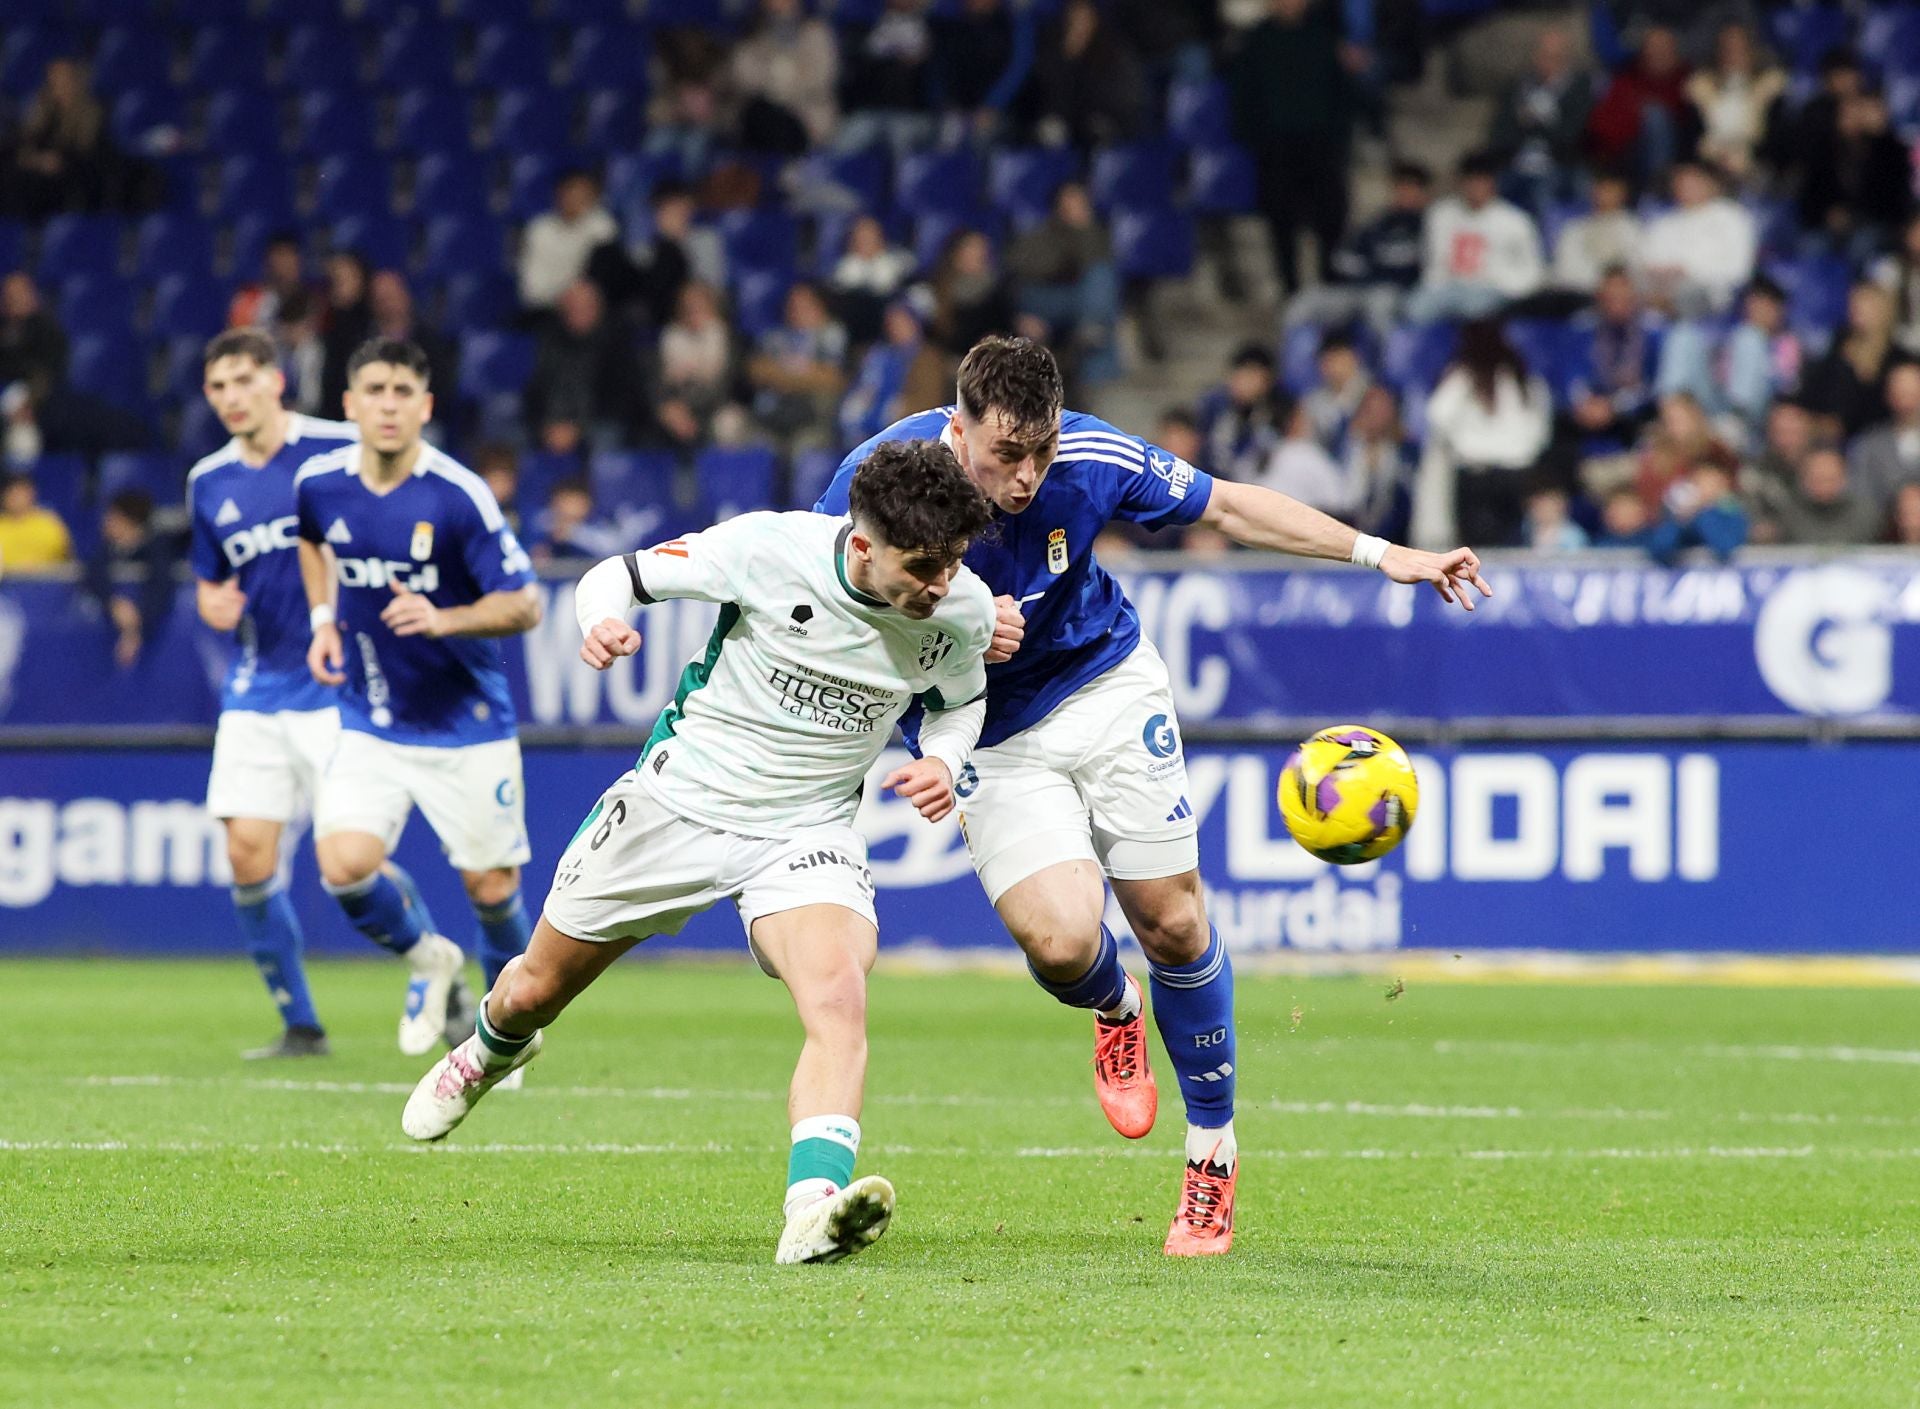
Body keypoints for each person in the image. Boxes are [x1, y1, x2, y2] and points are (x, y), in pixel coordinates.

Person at [816, 336, 1488, 1255]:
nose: (1025, 476)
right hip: (987, 734)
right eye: (1005, 454)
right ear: (955, 425)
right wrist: (951, 626)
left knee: (1172, 922)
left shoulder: (1089, 458)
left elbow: (1235, 506)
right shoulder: (884, 479)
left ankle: (1212, 1154)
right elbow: (828, 608)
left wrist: (1383, 554)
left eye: (1040, 452)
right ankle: (1115, 1006)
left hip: (1106, 684)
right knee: (1060, 943)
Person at [401, 439, 999, 1268]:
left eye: (953, 563)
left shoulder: (961, 606)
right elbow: (617, 573)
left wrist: (945, 758)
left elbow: (960, 701)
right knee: (532, 989)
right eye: (924, 565)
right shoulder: (769, 549)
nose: (940, 585)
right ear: (862, 545)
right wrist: (602, 621)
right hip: (675, 805)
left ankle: (812, 1211)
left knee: (838, 994)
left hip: (805, 830)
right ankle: (487, 1051)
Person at [295, 339, 543, 1061]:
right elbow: (314, 544)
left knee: (492, 889)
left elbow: (525, 603)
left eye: (405, 391)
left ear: (426, 406)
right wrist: (320, 620)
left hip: (466, 722)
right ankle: (430, 959)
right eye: (375, 389)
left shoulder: (456, 493)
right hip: (371, 714)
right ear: (349, 404)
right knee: (343, 865)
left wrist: (445, 618)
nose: (390, 404)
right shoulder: (319, 483)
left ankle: (507, 1036)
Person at [187, 329, 360, 1058]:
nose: (231, 396)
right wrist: (211, 604)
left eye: (243, 380)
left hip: (338, 683)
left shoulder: (339, 449)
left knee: (352, 860)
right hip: (258, 685)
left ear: (275, 380)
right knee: (247, 851)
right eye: (218, 385)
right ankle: (301, 1023)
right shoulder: (208, 481)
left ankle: (434, 968)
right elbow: (209, 579)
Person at [1228, 0, 1354, 297]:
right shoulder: (1256, 40)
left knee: (1330, 219)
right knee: (1281, 221)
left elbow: (1341, 92)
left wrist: (1338, 137)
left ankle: (1330, 286)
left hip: (1320, 144)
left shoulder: (1322, 36)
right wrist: (1256, 137)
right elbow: (1243, 97)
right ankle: (1290, 289)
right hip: (1276, 148)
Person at [1412, 319, 1553, 548]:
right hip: (1518, 474)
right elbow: (1541, 429)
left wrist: (1459, 443)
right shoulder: (1522, 376)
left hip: (1478, 477)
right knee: (1514, 545)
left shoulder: (1465, 376)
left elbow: (1436, 415)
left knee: (1478, 552)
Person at [1282, 159, 1429, 335]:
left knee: (1380, 305)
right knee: (1303, 303)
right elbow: (1342, 260)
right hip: (1357, 290)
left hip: (1396, 293)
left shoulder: (1429, 225)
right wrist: (1374, 269)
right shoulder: (1378, 224)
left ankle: (1387, 362)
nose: (1406, 193)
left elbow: (1413, 269)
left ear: (1424, 193)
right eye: (1401, 187)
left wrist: (1375, 267)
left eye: (1412, 188)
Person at [1405, 151, 1544, 324]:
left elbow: (1532, 271)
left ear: (1492, 183)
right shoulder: (1440, 214)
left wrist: (1504, 286)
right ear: (1461, 182)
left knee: (1475, 310)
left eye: (1481, 181)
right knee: (1415, 309)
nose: (1475, 187)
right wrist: (1439, 286)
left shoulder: (1515, 220)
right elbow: (1433, 263)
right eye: (1470, 180)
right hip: (1448, 287)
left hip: (1494, 287)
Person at [524, 280, 642, 455]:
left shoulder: (616, 344)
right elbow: (534, 389)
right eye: (572, 306)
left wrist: (577, 428)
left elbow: (621, 397)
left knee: (607, 439)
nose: (578, 312)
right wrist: (544, 425)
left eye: (586, 306)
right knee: (508, 438)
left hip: (597, 421)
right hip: (550, 422)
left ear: (599, 308)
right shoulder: (547, 341)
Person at [1485, 26, 1594, 213]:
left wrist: (1533, 121)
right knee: (1491, 191)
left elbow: (1571, 138)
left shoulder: (1580, 90)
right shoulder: (1517, 88)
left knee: (1543, 192)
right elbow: (1499, 135)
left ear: (1566, 60)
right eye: (1544, 55)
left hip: (1559, 166)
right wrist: (1532, 123)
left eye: (1555, 57)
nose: (1548, 63)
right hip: (1516, 163)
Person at [1638, 161, 1756, 316]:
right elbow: (1646, 261)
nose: (1687, 188)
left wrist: (1688, 270)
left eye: (1694, 182)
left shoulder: (1733, 217)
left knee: (1687, 294)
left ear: (1710, 183)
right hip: (1658, 295)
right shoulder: (1663, 224)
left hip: (1714, 298)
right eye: (1681, 182)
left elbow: (1739, 271)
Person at [1685, 22, 1784, 185]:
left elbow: (1775, 138)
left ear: (1752, 50)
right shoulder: (1701, 87)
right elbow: (1693, 135)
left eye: (1739, 49)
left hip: (1757, 163)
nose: (1733, 55)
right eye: (1727, 49)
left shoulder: (1770, 87)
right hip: (1709, 163)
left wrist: (1746, 154)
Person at [518, 170, 620, 317]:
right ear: (559, 195)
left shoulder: (601, 226)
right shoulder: (539, 230)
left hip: (590, 312)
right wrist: (565, 299)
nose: (578, 199)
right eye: (573, 192)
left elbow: (605, 277)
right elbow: (532, 287)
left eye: (586, 194)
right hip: (548, 309)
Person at [1549, 169, 1642, 296]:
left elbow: (1637, 270)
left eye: (1611, 190)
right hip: (1580, 295)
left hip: (1621, 297)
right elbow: (1564, 273)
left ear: (1622, 193)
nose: (1605, 195)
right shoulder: (1574, 229)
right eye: (1602, 189)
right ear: (1593, 191)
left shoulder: (1633, 229)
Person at [1848, 361, 1920, 512]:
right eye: (1900, 394)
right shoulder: (1868, 444)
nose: (1906, 402)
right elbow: (1861, 500)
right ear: (1889, 396)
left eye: (1912, 393)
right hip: (1882, 531)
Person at [0, 470, 73, 574]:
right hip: (6, 586)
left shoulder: (50, 524)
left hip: (48, 585)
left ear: (32, 493)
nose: (17, 498)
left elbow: (68, 560)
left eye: (22, 492)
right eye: (12, 493)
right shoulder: (1, 526)